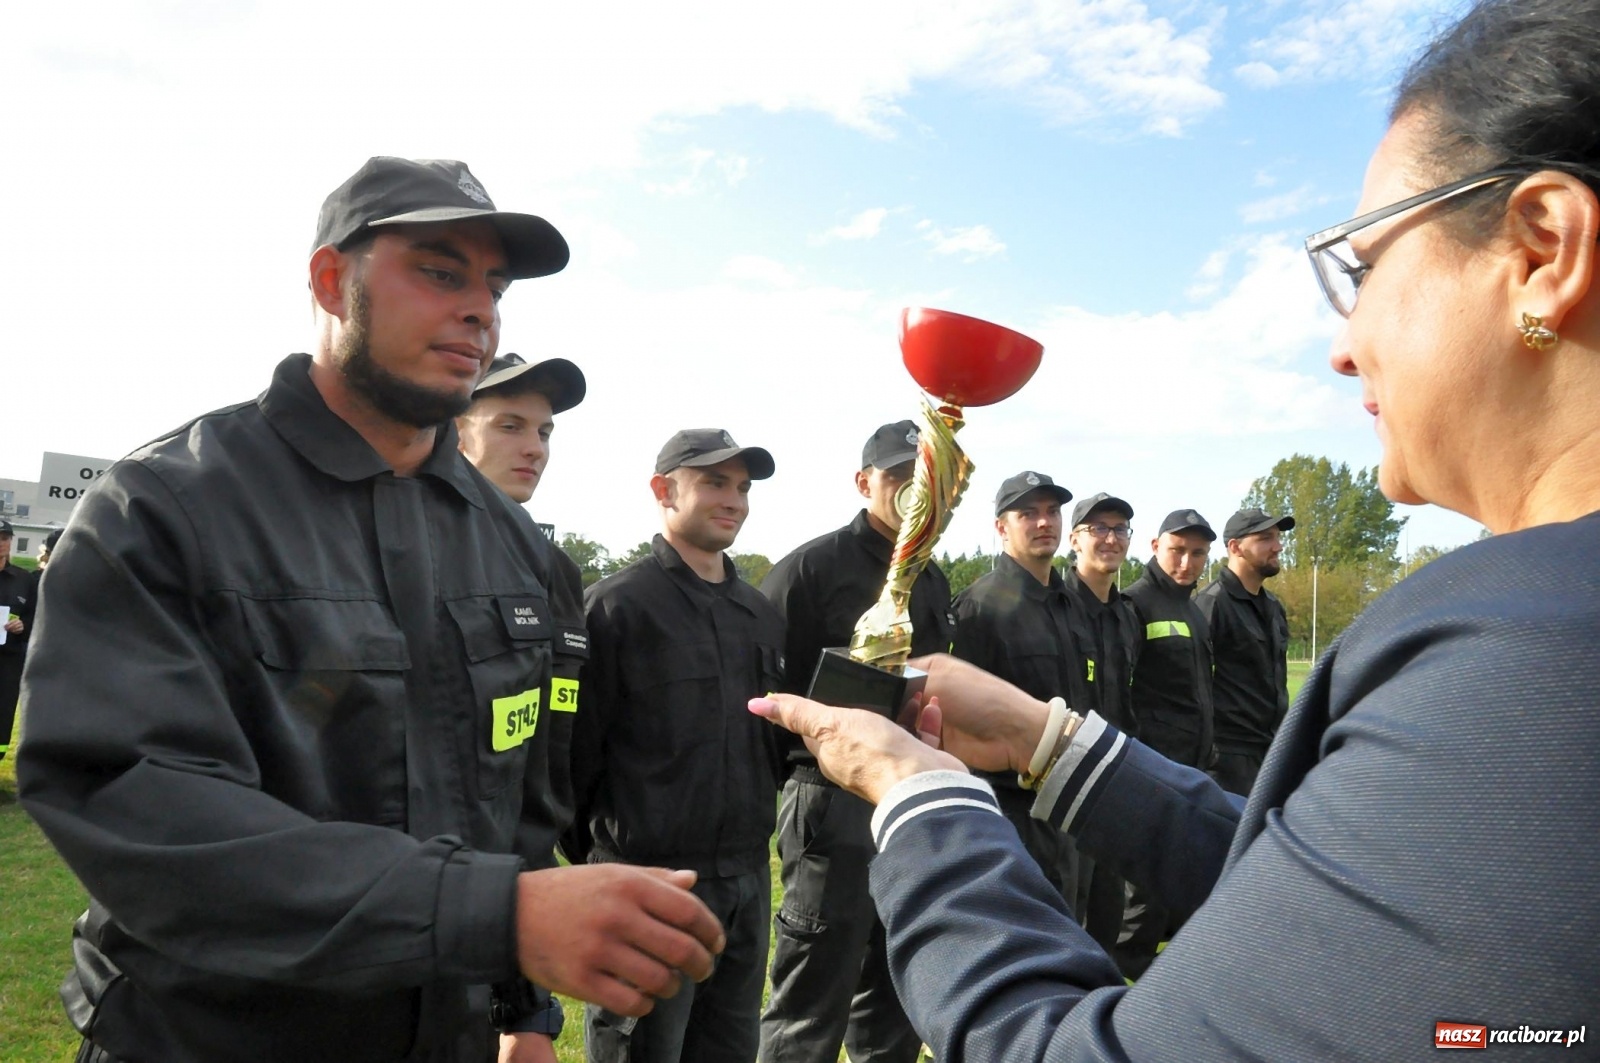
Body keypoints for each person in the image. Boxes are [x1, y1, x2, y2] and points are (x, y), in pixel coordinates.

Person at [748, 0, 1600, 1054]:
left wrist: (918, 791)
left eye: (1365, 266)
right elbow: (1324, 887)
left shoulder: (1532, 656)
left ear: (1541, 250)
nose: (1345, 345)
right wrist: (1041, 739)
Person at [16, 157, 723, 1063]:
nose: (481, 310)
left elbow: (517, 803)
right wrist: (489, 913)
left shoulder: (513, 545)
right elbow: (137, 801)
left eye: (494, 287)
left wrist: (522, 1009)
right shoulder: (163, 508)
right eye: (439, 271)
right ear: (329, 281)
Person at [569, 428, 785, 1063]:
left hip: (746, 880)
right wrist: (607, 865)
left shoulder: (759, 614)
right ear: (663, 490)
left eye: (743, 487)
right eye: (715, 482)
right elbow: (576, 756)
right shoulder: (615, 608)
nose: (735, 500)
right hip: (650, 880)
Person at [759, 420, 955, 1063]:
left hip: (904, 796)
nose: (909, 494)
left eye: (920, 481)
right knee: (812, 998)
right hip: (829, 798)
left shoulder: (929, 577)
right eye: (897, 478)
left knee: (897, 983)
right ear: (863, 481)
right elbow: (764, 695)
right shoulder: (809, 570)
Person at [457, 352, 591, 866]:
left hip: (532, 862)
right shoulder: (412, 548)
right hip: (444, 871)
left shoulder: (557, 569)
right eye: (509, 426)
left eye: (545, 432)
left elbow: (564, 725)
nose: (533, 449)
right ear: (455, 432)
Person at [950, 471, 1083, 906]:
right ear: (1001, 528)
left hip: (1066, 802)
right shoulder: (979, 606)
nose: (1045, 523)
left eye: (1052, 512)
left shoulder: (1069, 604)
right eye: (1028, 513)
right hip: (1010, 810)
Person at [1115, 508, 1215, 977]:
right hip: (1153, 762)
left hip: (1191, 764)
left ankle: (1153, 969)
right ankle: (1123, 970)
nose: (1187, 562)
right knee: (1144, 884)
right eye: (1177, 550)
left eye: (1197, 554)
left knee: (1175, 875)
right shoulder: (1136, 604)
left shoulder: (1193, 610)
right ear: (1155, 547)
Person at [1060, 492, 1141, 954]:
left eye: (1119, 529)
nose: (1111, 538)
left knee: (1109, 907)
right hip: (1064, 782)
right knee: (1068, 905)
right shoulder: (1059, 607)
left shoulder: (1126, 615)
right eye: (1098, 529)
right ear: (1075, 539)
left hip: (1115, 780)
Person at [1196, 507, 1293, 795]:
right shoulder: (1211, 604)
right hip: (1227, 763)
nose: (1278, 546)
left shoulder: (1273, 607)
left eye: (1277, 537)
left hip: (1272, 754)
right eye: (1265, 538)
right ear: (1235, 547)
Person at [0, 519, 35, 765]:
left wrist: (23, 626)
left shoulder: (25, 579)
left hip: (8, 662)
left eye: (4, 537)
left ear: (11, 541)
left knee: (2, 717)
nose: (0, 543)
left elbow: (36, 616)